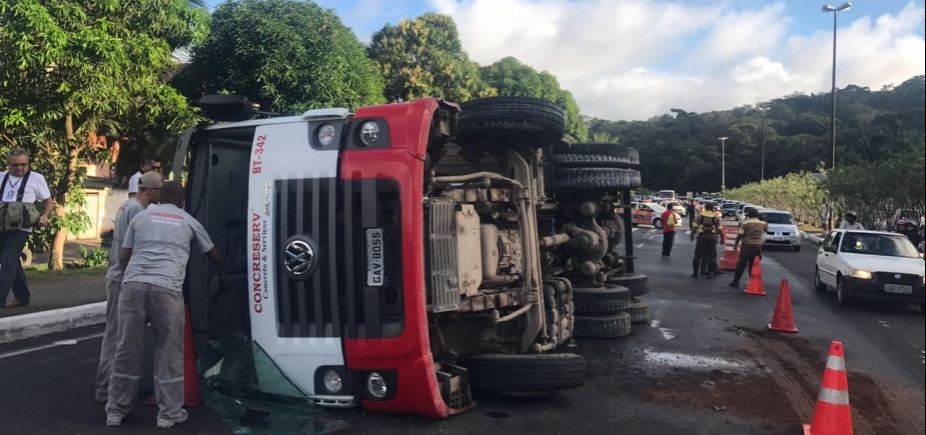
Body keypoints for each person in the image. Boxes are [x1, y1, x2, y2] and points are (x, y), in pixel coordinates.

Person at [106, 181, 227, 429]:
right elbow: (213, 254)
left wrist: (129, 278)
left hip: (133, 287)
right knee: (168, 352)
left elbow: (124, 255)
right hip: (167, 290)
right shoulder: (188, 221)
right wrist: (223, 273)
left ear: (160, 196)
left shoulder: (141, 217)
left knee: (127, 350)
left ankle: (116, 412)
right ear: (182, 200)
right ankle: (168, 415)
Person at [94, 171, 163, 403]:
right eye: (159, 190)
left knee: (119, 334)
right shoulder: (138, 211)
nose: (160, 195)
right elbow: (133, 249)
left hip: (116, 274)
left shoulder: (127, 205)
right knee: (117, 335)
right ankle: (105, 387)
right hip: (122, 277)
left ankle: (113, 385)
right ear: (151, 190)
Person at [0, 148, 55, 309]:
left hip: (22, 227)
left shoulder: (36, 178)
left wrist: (45, 215)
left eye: (23, 164)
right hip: (2, 224)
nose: (20, 168)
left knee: (8, 261)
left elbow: (49, 201)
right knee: (10, 260)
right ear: (8, 164)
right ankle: (22, 296)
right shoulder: (2, 177)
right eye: (15, 165)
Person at [729, 208, 768, 289]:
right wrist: (764, 219)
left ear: (749, 215)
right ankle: (752, 282)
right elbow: (766, 229)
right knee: (753, 265)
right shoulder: (762, 223)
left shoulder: (746, 223)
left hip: (747, 245)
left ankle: (735, 281)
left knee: (741, 264)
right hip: (757, 246)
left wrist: (735, 244)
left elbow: (740, 234)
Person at [690, 202, 722, 279]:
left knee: (697, 255)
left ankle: (695, 273)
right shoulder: (715, 217)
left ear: (706, 207)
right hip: (712, 237)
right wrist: (722, 238)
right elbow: (719, 229)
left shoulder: (700, 216)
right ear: (712, 208)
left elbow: (694, 227)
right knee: (711, 256)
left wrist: (692, 235)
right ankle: (709, 274)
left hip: (702, 237)